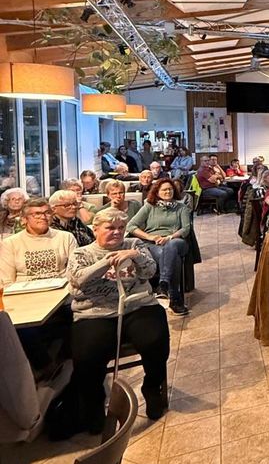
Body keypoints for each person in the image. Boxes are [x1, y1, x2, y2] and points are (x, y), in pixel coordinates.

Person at [67, 207, 170, 430]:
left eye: (121, 228)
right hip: (95, 312)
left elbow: (150, 272)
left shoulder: (133, 245)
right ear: (95, 230)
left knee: (155, 340)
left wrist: (135, 256)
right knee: (87, 354)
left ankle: (152, 388)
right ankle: (93, 407)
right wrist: (106, 261)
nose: (117, 232)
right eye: (110, 228)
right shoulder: (81, 254)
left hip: (137, 306)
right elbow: (78, 283)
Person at [127, 178, 192, 315]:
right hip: (153, 243)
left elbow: (185, 229)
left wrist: (169, 237)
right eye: (164, 189)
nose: (168, 191)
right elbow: (131, 226)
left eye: (170, 189)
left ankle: (163, 284)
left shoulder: (181, 207)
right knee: (172, 258)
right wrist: (150, 237)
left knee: (172, 247)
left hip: (176, 240)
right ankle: (175, 300)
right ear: (157, 192)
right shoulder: (149, 207)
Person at [0, 198, 77, 283]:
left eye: (47, 213)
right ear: (24, 219)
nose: (43, 217)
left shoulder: (66, 237)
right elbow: (7, 280)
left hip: (61, 289)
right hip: (24, 292)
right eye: (37, 214)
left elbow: (75, 272)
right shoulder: (10, 243)